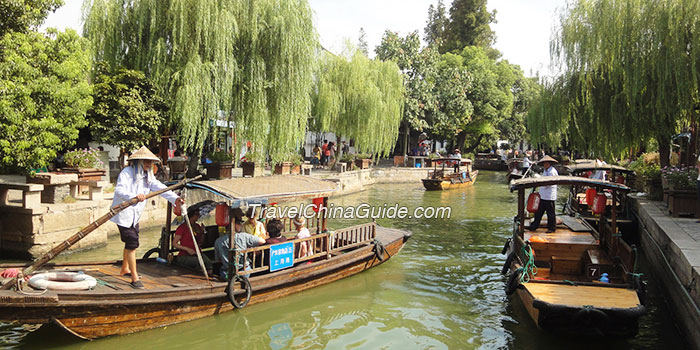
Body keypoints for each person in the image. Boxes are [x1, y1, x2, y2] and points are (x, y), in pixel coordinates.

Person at [111, 146, 184, 289]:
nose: (148, 165)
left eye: (150, 162)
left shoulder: (148, 177)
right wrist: (133, 197)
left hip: (135, 216)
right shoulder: (127, 173)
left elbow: (161, 189)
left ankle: (125, 268)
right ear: (138, 161)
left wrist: (175, 199)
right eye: (146, 162)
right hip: (124, 214)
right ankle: (134, 278)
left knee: (130, 242)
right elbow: (119, 190)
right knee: (132, 243)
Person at [172, 206, 213, 273]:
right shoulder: (182, 228)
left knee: (208, 262)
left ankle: (209, 277)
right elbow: (174, 243)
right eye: (196, 214)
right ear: (191, 215)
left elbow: (200, 242)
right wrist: (187, 249)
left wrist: (202, 233)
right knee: (198, 262)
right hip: (184, 255)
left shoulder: (197, 226)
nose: (198, 216)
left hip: (197, 253)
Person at [528, 155, 559, 233]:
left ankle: (551, 228)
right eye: (544, 164)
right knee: (538, 212)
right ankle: (534, 226)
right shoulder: (545, 171)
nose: (545, 165)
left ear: (549, 164)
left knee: (550, 213)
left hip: (549, 196)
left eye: (546, 163)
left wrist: (541, 183)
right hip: (543, 195)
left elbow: (550, 183)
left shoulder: (552, 171)